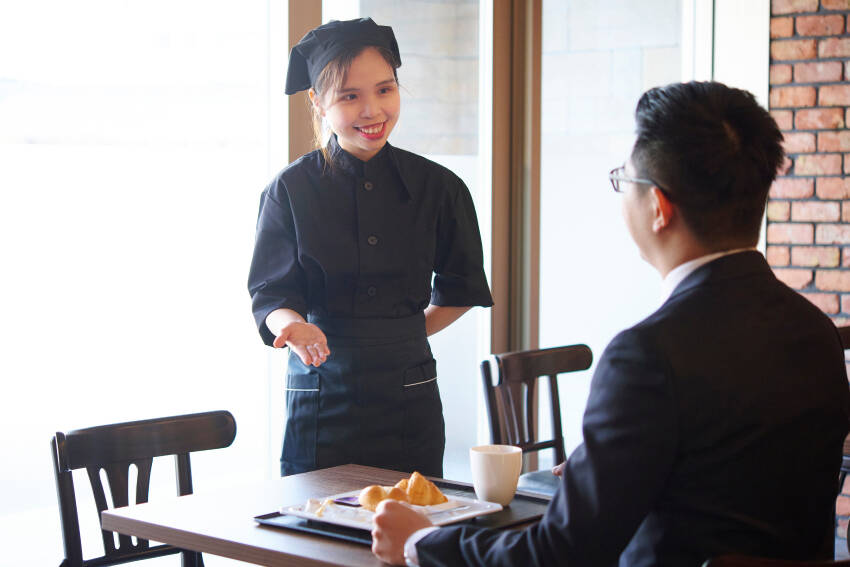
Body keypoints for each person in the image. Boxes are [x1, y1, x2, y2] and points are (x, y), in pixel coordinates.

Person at [371, 81, 850, 566]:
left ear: (660, 208)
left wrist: (420, 543)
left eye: (624, 179)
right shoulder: (816, 332)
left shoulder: (649, 354)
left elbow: (561, 554)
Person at [247, 18, 493, 478]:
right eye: (349, 96)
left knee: (411, 526)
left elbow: (462, 287)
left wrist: (402, 334)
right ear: (318, 103)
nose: (372, 109)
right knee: (312, 528)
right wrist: (295, 327)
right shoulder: (289, 190)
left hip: (409, 391)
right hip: (321, 387)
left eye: (385, 89)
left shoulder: (440, 188)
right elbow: (270, 296)